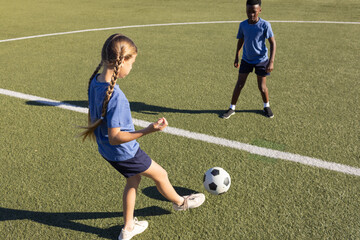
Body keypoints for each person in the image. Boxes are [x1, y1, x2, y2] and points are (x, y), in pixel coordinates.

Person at [80, 34, 205, 240]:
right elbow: (115, 137)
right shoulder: (117, 97)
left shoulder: (94, 81)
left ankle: (128, 228)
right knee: (161, 175)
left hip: (107, 151)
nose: (132, 68)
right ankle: (180, 203)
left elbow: (95, 120)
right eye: (132, 63)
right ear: (122, 62)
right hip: (124, 152)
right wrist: (149, 130)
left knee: (134, 179)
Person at [222, 0, 276, 119]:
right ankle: (232, 108)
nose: (251, 14)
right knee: (239, 84)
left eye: (254, 12)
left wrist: (271, 62)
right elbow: (240, 40)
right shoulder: (243, 25)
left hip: (261, 60)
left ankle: (266, 106)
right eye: (248, 12)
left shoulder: (265, 25)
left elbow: (272, 43)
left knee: (262, 87)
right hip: (246, 59)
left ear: (259, 10)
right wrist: (237, 56)